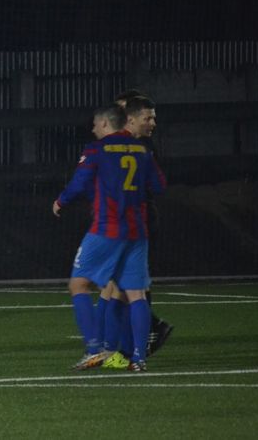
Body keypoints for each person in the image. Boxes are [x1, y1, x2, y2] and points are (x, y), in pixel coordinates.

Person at [52, 103, 166, 372]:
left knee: (78, 285)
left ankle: (94, 350)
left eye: (95, 124)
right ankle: (138, 359)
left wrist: (60, 201)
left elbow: (79, 183)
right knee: (136, 294)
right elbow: (159, 185)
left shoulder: (96, 149)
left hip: (106, 229)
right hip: (137, 231)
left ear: (105, 123)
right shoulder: (143, 150)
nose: (93, 129)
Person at [100, 92, 174, 369]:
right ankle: (125, 346)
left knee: (123, 288)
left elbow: (154, 185)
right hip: (125, 221)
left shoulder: (137, 146)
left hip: (134, 222)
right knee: (117, 287)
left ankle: (131, 347)